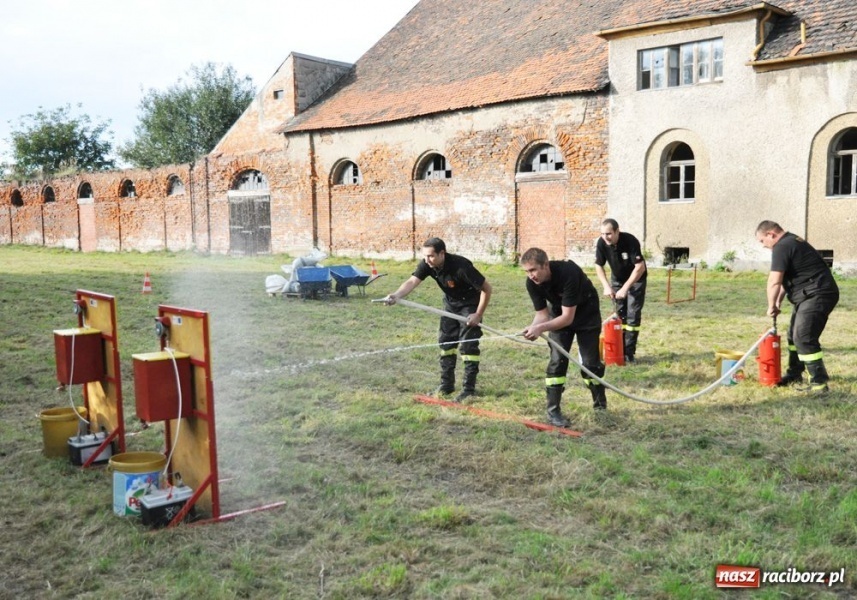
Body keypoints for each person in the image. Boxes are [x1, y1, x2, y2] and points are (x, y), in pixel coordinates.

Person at [384, 237, 492, 401]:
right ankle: (446, 385)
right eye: (425, 256)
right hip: (450, 304)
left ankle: (468, 389)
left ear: (442, 253)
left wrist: (477, 314)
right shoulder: (428, 264)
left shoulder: (461, 266)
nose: (427, 260)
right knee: (446, 343)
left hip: (470, 305)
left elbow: (487, 288)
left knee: (468, 346)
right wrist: (396, 295)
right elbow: (412, 281)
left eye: (431, 256)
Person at [520, 247, 607, 427]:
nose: (531, 275)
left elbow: (568, 318)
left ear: (546, 265)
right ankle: (553, 412)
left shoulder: (569, 273)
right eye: (527, 272)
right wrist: (533, 328)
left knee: (590, 364)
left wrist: (540, 328)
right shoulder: (532, 284)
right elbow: (543, 315)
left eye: (533, 270)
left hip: (586, 315)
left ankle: (600, 405)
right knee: (557, 361)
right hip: (559, 314)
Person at [755, 221, 839, 393]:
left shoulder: (782, 246)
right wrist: (778, 301)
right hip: (810, 293)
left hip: (817, 294)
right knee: (793, 336)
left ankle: (819, 384)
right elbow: (789, 279)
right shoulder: (792, 241)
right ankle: (794, 374)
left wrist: (770, 305)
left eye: (762, 241)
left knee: (804, 337)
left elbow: (774, 280)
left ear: (771, 234)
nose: (763, 246)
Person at [594, 218, 647, 363]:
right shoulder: (602, 243)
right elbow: (598, 265)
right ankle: (619, 349)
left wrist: (625, 288)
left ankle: (629, 353)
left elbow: (640, 267)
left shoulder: (630, 241)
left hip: (636, 279)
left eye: (609, 234)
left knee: (632, 314)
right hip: (617, 279)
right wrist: (606, 285)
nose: (605, 237)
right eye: (603, 234)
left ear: (617, 231)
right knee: (619, 314)